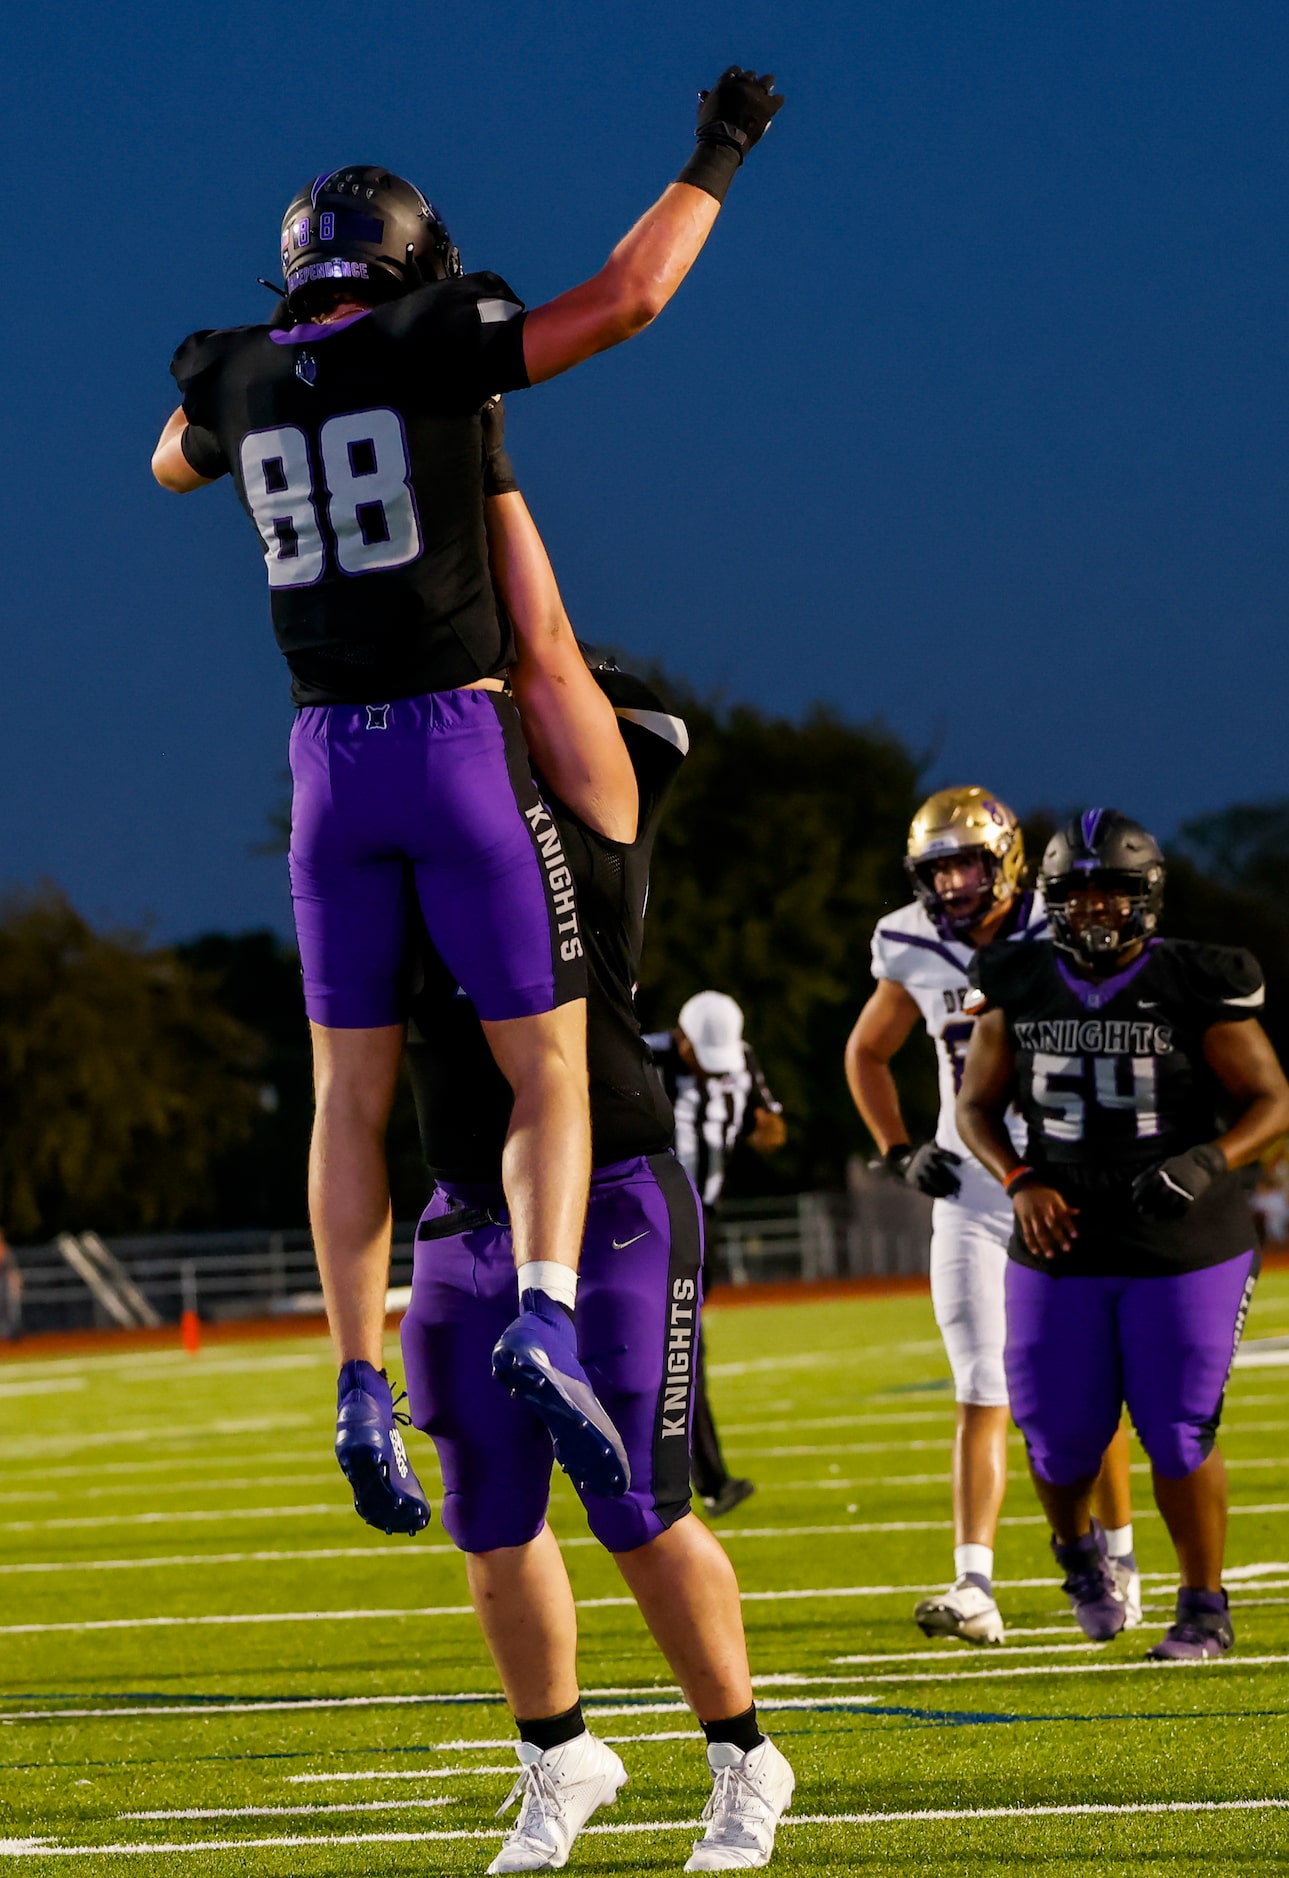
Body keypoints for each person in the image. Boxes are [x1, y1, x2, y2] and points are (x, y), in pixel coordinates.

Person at [150, 68, 786, 1516]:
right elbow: (627, 296)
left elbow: (169, 464)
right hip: (450, 739)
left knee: (344, 1092)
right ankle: (547, 1312)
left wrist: (280, 402)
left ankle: (355, 1379)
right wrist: (720, 148)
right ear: (413, 265)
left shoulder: (232, 371)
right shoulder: (437, 340)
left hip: (322, 762)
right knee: (546, 1065)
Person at [396, 455, 794, 1873]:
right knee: (490, 1520)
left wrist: (476, 462)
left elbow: (548, 655)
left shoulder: (596, 818)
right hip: (460, 1203)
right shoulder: (409, 842)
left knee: (634, 1499)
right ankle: (559, 1753)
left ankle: (746, 1756)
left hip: (611, 1185)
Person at [957, 809, 1289, 1657]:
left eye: (1113, 893)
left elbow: (1271, 1100)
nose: (1096, 910)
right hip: (1059, 1234)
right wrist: (1019, 1178)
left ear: (1147, 897)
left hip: (1181, 1236)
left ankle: (1202, 1607)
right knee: (1057, 1434)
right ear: (1051, 901)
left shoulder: (1194, 979)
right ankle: (1077, 1555)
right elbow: (974, 1108)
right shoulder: (1017, 977)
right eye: (1077, 894)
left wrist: (1207, 1161)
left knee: (1178, 1428)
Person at [845, 787, 1138, 1645]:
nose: (954, 882)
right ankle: (974, 1582)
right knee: (980, 1383)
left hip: (1066, 1187)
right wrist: (899, 1146)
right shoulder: (908, 938)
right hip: (973, 1195)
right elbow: (866, 1050)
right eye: (938, 868)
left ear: (1004, 860)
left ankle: (1117, 1560)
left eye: (968, 862)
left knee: (1088, 1385)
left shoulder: (1059, 931)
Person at [646, 992, 786, 1516]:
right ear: (681, 1040)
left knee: (679, 1351)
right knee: (680, 1352)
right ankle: (701, 1478)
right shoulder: (643, 1055)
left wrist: (764, 1126)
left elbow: (769, 1123)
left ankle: (703, 1478)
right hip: (648, 1218)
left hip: (704, 1219)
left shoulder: (740, 1057)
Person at [0, 1231, 22, 1341]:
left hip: (8, 1282)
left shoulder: (6, 1250)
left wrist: (17, 1284)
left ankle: (13, 1334)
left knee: (12, 1308)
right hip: (3, 1282)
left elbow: (13, 1271)